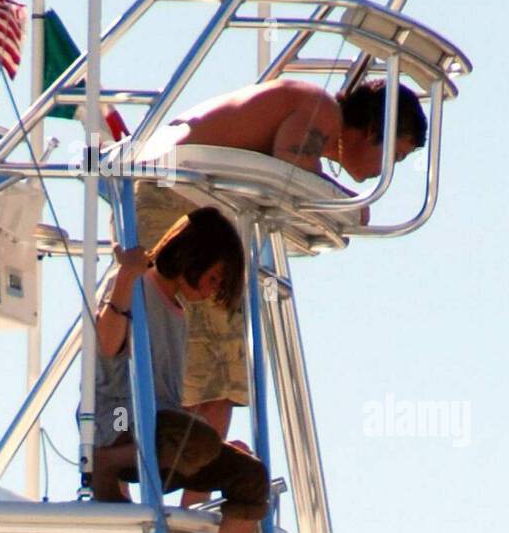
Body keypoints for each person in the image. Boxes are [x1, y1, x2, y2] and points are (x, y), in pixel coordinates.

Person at [136, 78, 428, 446]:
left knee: (197, 373)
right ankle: (193, 493)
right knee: (218, 380)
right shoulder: (321, 109)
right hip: (177, 201)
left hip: (169, 197)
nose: (386, 172)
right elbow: (292, 165)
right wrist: (348, 203)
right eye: (394, 157)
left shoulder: (317, 115)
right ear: (372, 131)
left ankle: (187, 485)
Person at [92, 207, 271, 533]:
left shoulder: (177, 311)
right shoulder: (134, 287)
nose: (212, 292)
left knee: (251, 477)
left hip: (162, 433)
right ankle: (107, 467)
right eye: (213, 279)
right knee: (193, 438)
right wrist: (124, 280)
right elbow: (107, 343)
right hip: (121, 425)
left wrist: (214, 442)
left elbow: (168, 399)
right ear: (194, 256)